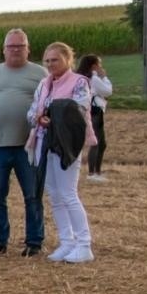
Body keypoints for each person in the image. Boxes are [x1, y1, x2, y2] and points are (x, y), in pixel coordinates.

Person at [0, 28, 47, 255]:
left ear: (28, 49)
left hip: (29, 147)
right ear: (3, 50)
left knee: (32, 196)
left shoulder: (40, 74)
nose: (16, 50)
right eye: (11, 46)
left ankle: (34, 242)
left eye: (20, 46)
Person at [28, 43, 96, 263]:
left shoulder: (79, 83)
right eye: (46, 61)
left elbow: (79, 109)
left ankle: (84, 244)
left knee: (68, 193)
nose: (49, 65)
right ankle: (67, 242)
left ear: (67, 59)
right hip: (43, 141)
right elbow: (32, 111)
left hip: (66, 143)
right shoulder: (43, 84)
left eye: (54, 60)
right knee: (54, 195)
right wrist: (39, 117)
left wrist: (52, 115)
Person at [77, 54, 112, 182]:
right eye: (99, 64)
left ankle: (96, 171)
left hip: (89, 111)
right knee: (97, 142)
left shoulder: (81, 77)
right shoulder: (94, 79)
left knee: (101, 143)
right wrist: (104, 77)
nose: (101, 67)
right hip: (95, 111)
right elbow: (108, 91)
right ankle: (93, 173)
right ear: (94, 66)